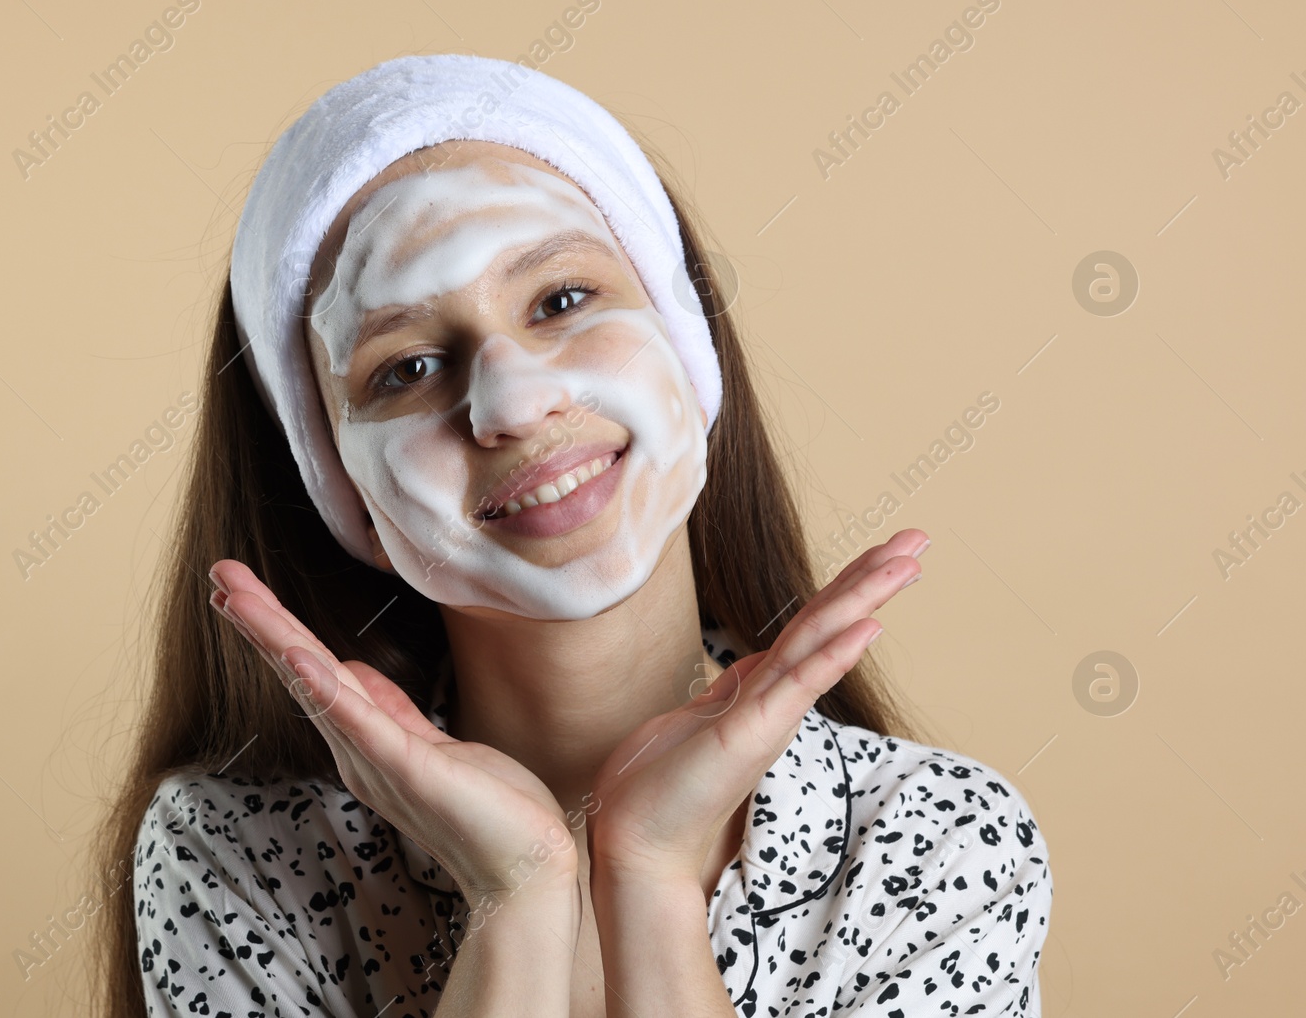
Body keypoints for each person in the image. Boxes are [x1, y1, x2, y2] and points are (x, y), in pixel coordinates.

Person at [90, 55, 1052, 1018]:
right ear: (343, 494)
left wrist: (652, 886)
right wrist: (515, 898)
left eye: (559, 300)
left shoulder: (937, 839)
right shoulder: (238, 857)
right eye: (409, 365)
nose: (511, 402)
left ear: (687, 348)